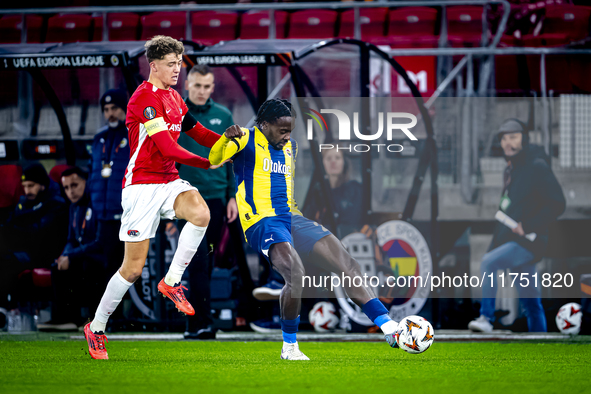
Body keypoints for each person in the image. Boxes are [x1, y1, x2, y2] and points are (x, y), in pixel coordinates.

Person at [209, 98, 399, 360]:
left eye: (290, 130)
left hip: (291, 217)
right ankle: (289, 347)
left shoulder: (292, 148)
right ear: (264, 125)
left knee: (348, 263)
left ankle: (390, 329)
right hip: (261, 222)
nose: (287, 136)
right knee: (296, 273)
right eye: (282, 130)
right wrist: (225, 138)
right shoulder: (245, 138)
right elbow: (213, 159)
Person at [84, 35, 227, 360]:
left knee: (201, 213)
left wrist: (228, 142)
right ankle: (97, 326)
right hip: (140, 188)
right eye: (172, 64)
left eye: (179, 63)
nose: (178, 69)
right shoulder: (143, 99)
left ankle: (171, 281)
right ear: (154, 65)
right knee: (132, 269)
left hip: (168, 181)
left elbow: (197, 131)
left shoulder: (175, 97)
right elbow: (168, 148)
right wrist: (209, 161)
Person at [468, 119, 566, 333]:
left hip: (529, 243)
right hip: (512, 242)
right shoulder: (510, 170)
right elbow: (506, 213)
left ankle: (486, 317)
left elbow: (558, 203)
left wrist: (529, 226)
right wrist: (494, 246)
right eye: (503, 138)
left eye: (513, 137)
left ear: (524, 138)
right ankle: (542, 346)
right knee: (531, 305)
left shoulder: (537, 166)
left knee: (488, 264)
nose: (507, 142)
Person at [177, 64, 238, 340]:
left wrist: (232, 196)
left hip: (215, 200)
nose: (201, 91)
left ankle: (198, 322)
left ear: (213, 88)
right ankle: (200, 322)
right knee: (197, 261)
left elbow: (232, 159)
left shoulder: (223, 115)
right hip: (185, 200)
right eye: (197, 85)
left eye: (206, 86)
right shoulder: (175, 113)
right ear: (187, 85)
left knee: (207, 262)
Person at [38, 167, 103, 331]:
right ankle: (66, 318)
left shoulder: (97, 203)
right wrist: (65, 255)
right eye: (66, 188)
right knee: (57, 266)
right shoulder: (73, 208)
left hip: (99, 258)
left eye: (74, 185)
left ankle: (92, 318)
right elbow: (71, 239)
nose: (70, 191)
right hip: (81, 256)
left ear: (85, 182)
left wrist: (71, 256)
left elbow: (99, 242)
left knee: (85, 266)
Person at [0, 163, 68, 310]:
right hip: (26, 251)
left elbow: (39, 232)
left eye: (31, 186)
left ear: (42, 184)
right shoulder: (25, 202)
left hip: (45, 254)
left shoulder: (56, 203)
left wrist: (9, 231)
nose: (27, 190)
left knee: (5, 261)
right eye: (24, 186)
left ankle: (6, 308)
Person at [88, 89, 130, 278]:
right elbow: (92, 173)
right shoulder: (98, 139)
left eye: (114, 108)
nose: (110, 113)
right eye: (106, 109)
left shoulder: (134, 136)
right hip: (101, 217)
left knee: (122, 272)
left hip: (125, 217)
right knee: (104, 272)